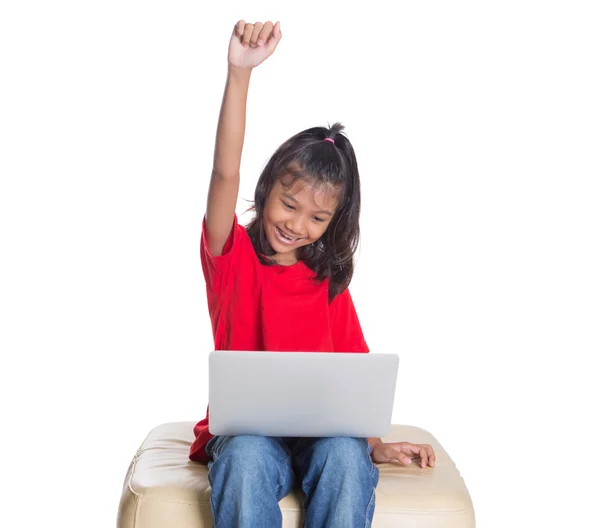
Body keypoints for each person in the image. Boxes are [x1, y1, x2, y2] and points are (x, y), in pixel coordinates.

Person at [189, 19, 436, 527]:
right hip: (250, 441)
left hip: (323, 444)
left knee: (346, 455)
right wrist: (239, 74)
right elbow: (224, 172)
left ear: (332, 223)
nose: (297, 224)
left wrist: (378, 446)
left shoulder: (328, 284)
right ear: (266, 189)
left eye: (317, 218)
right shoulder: (231, 255)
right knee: (247, 454)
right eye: (288, 203)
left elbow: (354, 387)